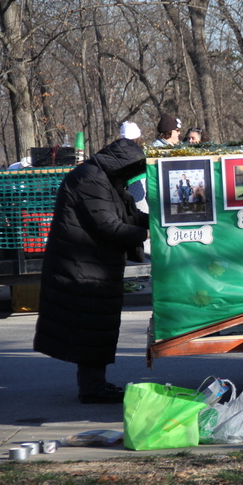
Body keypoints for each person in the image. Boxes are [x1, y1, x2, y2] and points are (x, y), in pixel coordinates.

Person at [33, 122, 150, 404]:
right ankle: (93, 387)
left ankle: (94, 385)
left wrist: (163, 222)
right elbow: (109, 225)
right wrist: (150, 234)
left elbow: (130, 215)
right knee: (91, 326)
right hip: (82, 266)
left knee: (96, 326)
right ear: (120, 163)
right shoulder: (90, 178)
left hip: (95, 265)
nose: (130, 177)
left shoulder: (107, 178)